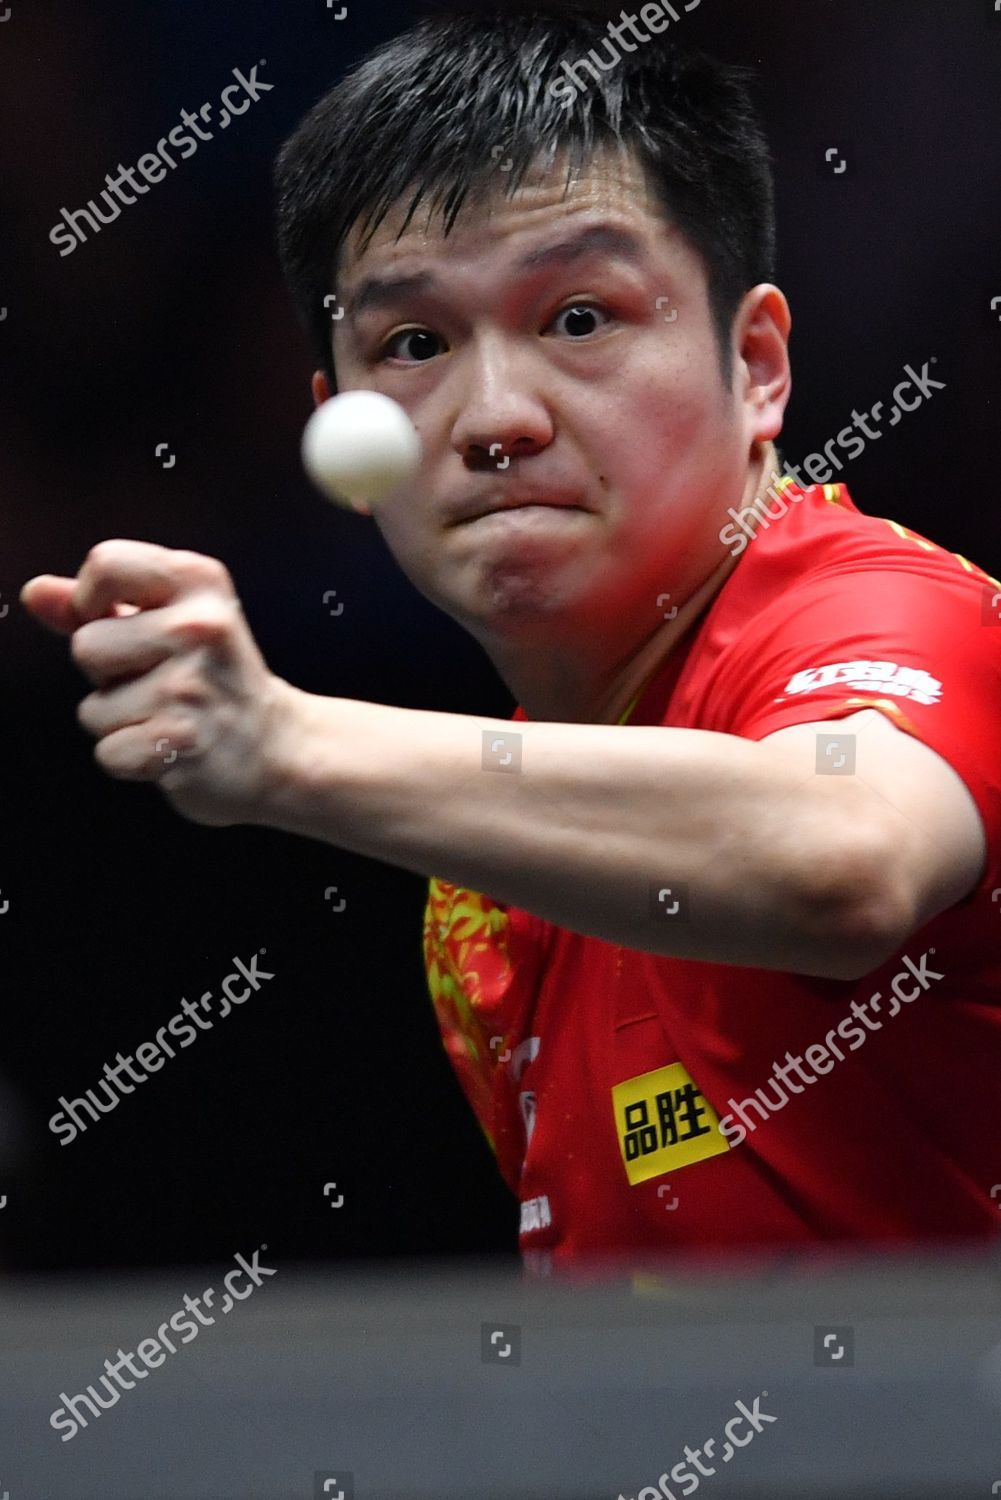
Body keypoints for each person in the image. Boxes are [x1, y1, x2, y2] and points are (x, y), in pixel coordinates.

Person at [21, 6, 1001, 1272]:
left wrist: (285, 746)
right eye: (413, 344)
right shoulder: (487, 895)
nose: (493, 418)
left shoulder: (895, 613)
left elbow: (846, 859)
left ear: (755, 365)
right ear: (341, 428)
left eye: (580, 318)